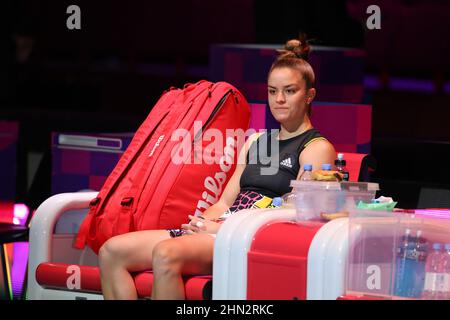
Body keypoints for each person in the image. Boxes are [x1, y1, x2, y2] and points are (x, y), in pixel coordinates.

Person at [98, 37, 336, 300]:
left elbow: (298, 213)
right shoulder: (257, 142)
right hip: (221, 228)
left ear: (309, 95)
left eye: (290, 91)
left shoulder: (316, 147)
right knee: (112, 252)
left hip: (246, 238)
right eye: (272, 91)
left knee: (165, 254)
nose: (279, 99)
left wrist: (224, 230)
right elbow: (224, 201)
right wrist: (203, 223)